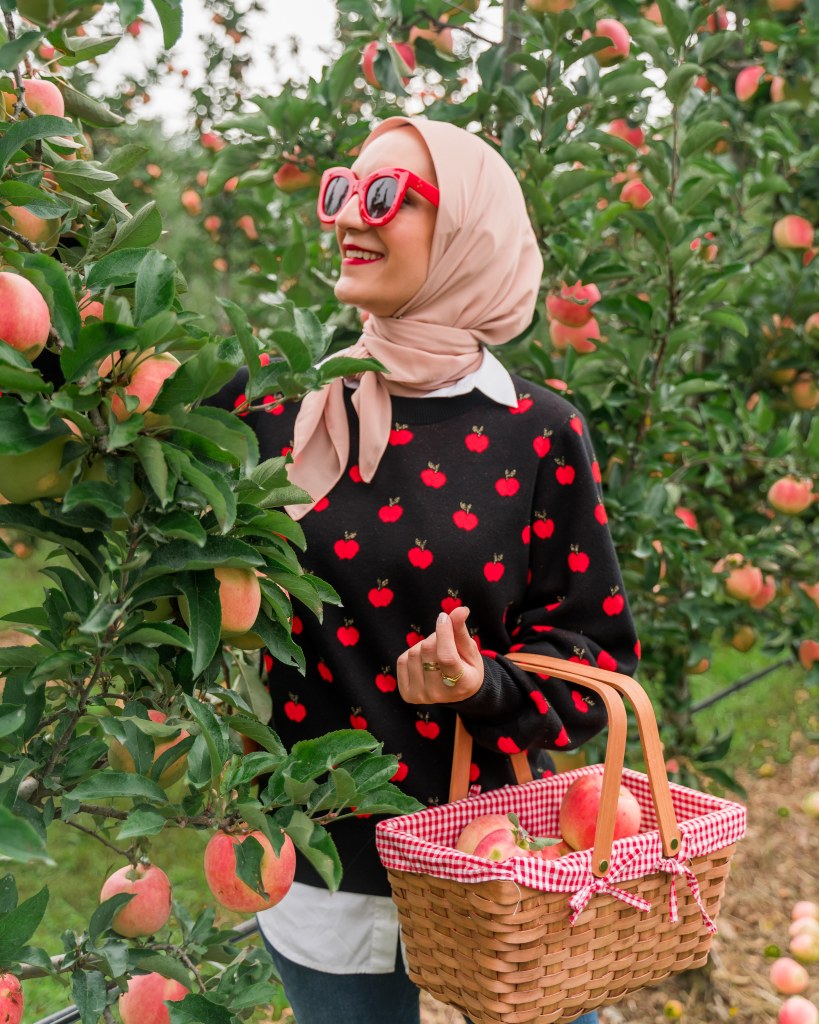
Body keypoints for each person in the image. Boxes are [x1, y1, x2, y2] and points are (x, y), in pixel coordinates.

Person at [210, 115, 639, 1024]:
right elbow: (98, 400)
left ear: (466, 235)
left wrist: (483, 686)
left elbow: (596, 658)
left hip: (500, 860)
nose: (346, 218)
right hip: (320, 867)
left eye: (384, 196)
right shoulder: (272, 401)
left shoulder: (537, 430)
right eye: (340, 189)